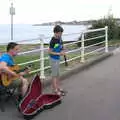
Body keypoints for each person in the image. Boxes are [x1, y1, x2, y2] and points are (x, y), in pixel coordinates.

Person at [48, 25, 66, 96]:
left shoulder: (60, 38)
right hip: (53, 59)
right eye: (60, 33)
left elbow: (61, 46)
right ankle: (55, 90)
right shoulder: (53, 41)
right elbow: (49, 52)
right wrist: (59, 53)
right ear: (55, 33)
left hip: (58, 59)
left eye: (61, 33)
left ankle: (58, 88)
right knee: (54, 75)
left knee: (58, 74)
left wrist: (63, 49)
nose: (61, 35)